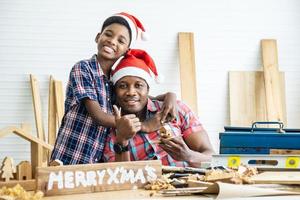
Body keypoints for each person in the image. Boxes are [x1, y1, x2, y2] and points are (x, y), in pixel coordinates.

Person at [50, 12, 177, 165]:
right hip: (69, 156)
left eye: (121, 40)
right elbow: (98, 116)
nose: (112, 41)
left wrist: (170, 96)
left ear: (126, 50)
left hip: (94, 162)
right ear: (98, 37)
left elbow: (144, 97)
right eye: (108, 35)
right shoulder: (83, 68)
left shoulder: (113, 82)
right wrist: (143, 126)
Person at [102, 49, 215, 167]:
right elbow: (120, 180)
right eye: (123, 86)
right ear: (115, 91)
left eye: (138, 85)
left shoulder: (175, 109)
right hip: (148, 185)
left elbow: (212, 158)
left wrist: (188, 155)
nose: (131, 92)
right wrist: (122, 140)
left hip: (189, 183)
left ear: (148, 90)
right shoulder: (110, 133)